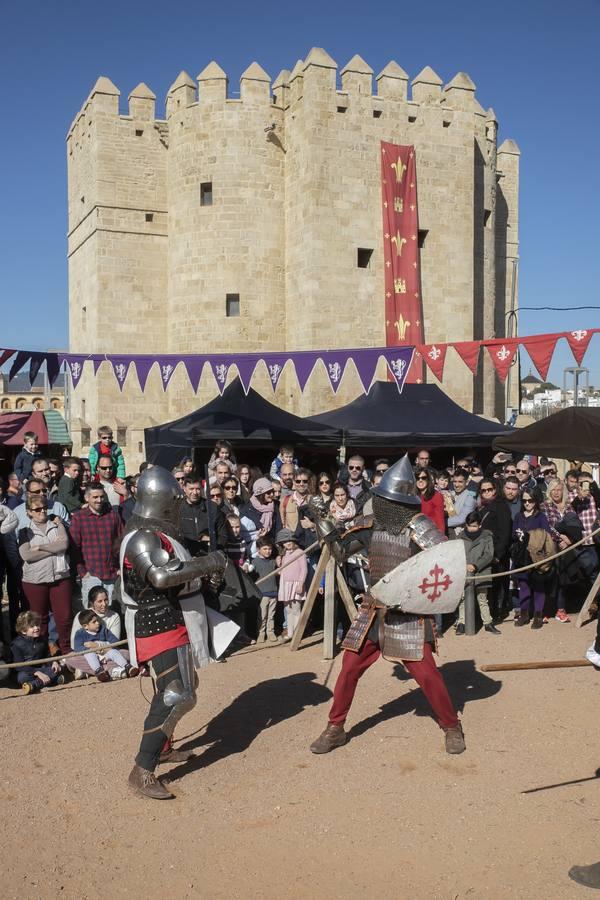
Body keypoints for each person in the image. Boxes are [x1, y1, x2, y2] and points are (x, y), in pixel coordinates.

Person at [310, 454, 465, 756]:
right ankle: (335, 727)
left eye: (386, 500)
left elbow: (446, 562)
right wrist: (323, 524)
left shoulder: (420, 528)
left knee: (428, 674)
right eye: (380, 498)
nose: (382, 504)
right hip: (373, 610)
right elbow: (341, 552)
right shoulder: (370, 524)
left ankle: (451, 725)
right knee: (349, 668)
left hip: (407, 615)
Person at [120, 466, 231, 800]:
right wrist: (210, 562)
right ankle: (142, 769)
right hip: (157, 623)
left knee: (184, 687)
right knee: (176, 694)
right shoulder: (141, 537)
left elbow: (175, 572)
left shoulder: (158, 534)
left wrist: (201, 577)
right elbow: (161, 577)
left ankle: (163, 747)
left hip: (173, 617)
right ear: (165, 503)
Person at [17, 496, 72, 654]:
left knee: (64, 617)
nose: (42, 511)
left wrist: (40, 547)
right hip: (35, 580)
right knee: (38, 619)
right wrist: (52, 548)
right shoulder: (24, 531)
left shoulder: (57, 525)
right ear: (29, 512)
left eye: (44, 508)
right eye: (37, 509)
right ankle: (43, 651)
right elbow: (26, 555)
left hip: (60, 576)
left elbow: (63, 545)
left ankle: (66, 650)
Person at [70, 484, 124, 605]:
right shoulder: (79, 518)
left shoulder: (113, 516)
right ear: (87, 498)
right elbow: (74, 548)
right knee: (91, 616)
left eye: (101, 496)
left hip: (112, 573)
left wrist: (120, 567)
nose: (99, 500)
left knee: (111, 612)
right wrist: (82, 572)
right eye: (95, 497)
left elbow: (122, 541)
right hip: (91, 575)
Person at [511, 487, 553, 629]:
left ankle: (538, 615)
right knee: (523, 586)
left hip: (537, 557)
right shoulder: (518, 516)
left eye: (531, 500)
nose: (527, 503)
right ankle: (524, 614)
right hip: (521, 557)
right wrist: (518, 535)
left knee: (538, 587)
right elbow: (513, 535)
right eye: (524, 501)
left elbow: (546, 535)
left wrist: (531, 535)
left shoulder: (540, 516)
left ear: (536, 501)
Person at [455, 510, 498, 635]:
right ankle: (462, 623)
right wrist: (465, 565)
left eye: (474, 526)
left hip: (482, 571)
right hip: (465, 571)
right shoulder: (460, 537)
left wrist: (476, 565)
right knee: (462, 599)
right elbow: (457, 553)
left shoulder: (487, 536)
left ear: (479, 525)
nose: (471, 528)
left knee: (482, 599)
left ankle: (488, 623)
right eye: (469, 526)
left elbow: (489, 554)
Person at [478, 479, 513, 619]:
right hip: (483, 552)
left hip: (497, 552)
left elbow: (505, 533)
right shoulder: (481, 506)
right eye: (483, 490)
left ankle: (497, 612)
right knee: (486, 585)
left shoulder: (501, 506)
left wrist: (498, 555)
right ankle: (487, 613)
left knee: (497, 585)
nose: (487, 493)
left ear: (495, 489)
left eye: (490, 489)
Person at [72, 609, 135, 682]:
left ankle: (127, 667)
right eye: (94, 622)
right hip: (92, 655)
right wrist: (89, 649)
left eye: (97, 620)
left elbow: (114, 642)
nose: (98, 623)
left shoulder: (103, 629)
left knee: (114, 652)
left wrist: (98, 645)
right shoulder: (80, 633)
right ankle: (99, 671)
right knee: (87, 655)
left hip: (105, 653)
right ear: (85, 626)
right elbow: (77, 648)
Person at [11, 611, 64, 694]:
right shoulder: (16, 644)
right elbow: (19, 666)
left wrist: (53, 662)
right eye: (32, 626)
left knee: (57, 669)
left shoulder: (42, 640)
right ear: (23, 630)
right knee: (22, 677)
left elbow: (47, 656)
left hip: (41, 668)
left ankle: (33, 685)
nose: (36, 628)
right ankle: (53, 680)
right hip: (26, 672)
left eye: (37, 625)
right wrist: (37, 673)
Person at [179, 476, 227, 554]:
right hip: (186, 555)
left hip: (209, 555)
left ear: (201, 488)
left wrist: (213, 543)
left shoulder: (212, 508)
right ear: (184, 488)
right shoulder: (179, 508)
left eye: (197, 489)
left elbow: (223, 535)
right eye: (191, 489)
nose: (195, 492)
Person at [276, 528, 307, 640]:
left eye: (289, 540)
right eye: (284, 541)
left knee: (296, 609)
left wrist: (300, 583)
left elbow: (304, 569)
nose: (287, 543)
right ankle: (290, 633)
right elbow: (281, 571)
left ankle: (297, 633)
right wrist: (279, 563)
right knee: (288, 610)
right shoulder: (283, 555)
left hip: (296, 584)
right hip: (285, 584)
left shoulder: (300, 553)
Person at [240, 477, 275, 557]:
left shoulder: (274, 506)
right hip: (253, 552)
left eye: (272, 492)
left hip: (270, 550)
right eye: (268, 493)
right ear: (260, 494)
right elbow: (243, 534)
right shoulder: (246, 509)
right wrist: (258, 535)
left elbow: (278, 529)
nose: (272, 495)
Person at [254, 537, 278, 642]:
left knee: (271, 615)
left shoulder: (273, 562)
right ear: (258, 549)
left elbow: (278, 572)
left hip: (273, 592)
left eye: (270, 549)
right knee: (262, 615)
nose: (268, 551)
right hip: (262, 593)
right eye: (265, 549)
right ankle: (261, 633)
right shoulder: (255, 562)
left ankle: (270, 632)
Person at [447, 468, 477, 536]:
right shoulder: (449, 493)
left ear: (466, 482)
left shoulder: (470, 497)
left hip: (460, 535)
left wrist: (440, 521)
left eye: (460, 482)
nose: (457, 485)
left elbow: (462, 519)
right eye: (455, 481)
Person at [415, 467, 445, 534]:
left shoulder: (436, 496)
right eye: (417, 478)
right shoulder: (413, 495)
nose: (420, 480)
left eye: (423, 478)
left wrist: (441, 539)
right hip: (415, 534)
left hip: (431, 534)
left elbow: (440, 520)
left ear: (428, 479)